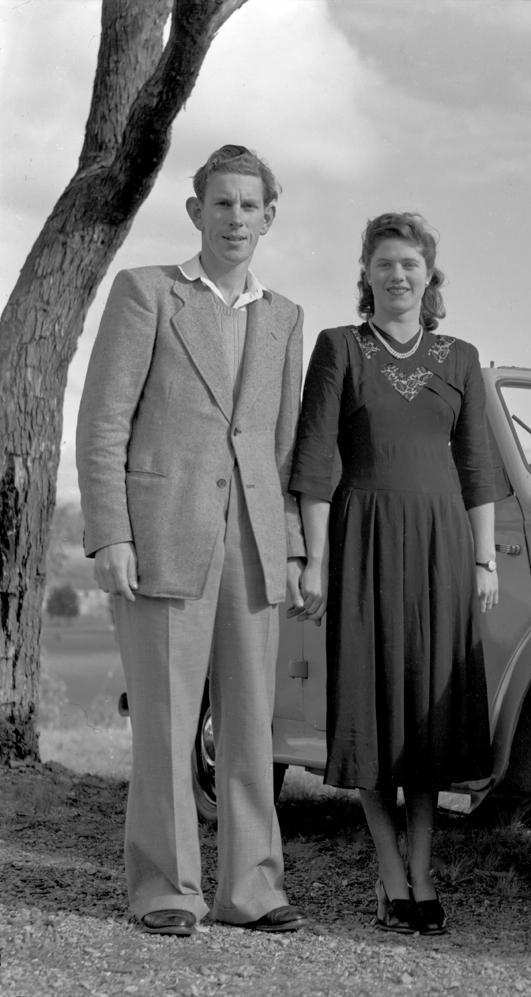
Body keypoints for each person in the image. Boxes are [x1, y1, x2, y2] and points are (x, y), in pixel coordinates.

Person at [76, 144, 308, 937]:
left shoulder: (284, 318)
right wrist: (109, 534)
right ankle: (165, 889)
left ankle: (251, 887)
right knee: (170, 728)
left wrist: (294, 547)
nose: (236, 217)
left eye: (250, 205)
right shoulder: (146, 293)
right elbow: (104, 420)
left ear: (268, 217)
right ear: (195, 211)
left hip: (253, 548)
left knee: (250, 730)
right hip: (162, 539)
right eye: (222, 203)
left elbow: (280, 449)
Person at [289, 212, 497, 935]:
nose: (398, 275)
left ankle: (424, 868)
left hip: (443, 545)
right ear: (367, 274)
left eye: (410, 263)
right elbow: (315, 463)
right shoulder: (339, 348)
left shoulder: (461, 358)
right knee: (373, 711)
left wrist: (484, 557)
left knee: (428, 719)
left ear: (429, 276)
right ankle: (389, 873)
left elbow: (478, 468)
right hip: (363, 543)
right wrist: (314, 559)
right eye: (385, 263)